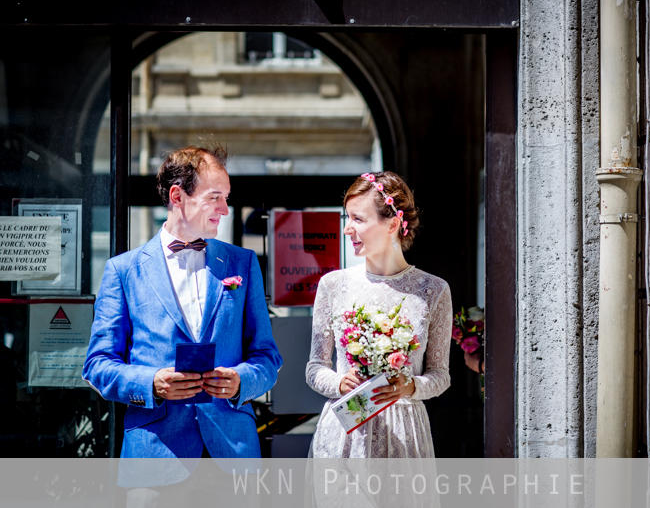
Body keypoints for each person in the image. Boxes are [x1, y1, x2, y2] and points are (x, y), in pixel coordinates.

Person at [83, 145, 282, 463]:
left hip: (232, 454)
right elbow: (97, 366)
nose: (226, 209)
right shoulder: (123, 271)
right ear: (177, 197)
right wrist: (152, 383)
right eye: (215, 197)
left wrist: (241, 380)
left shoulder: (242, 263)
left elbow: (268, 357)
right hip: (154, 456)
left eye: (226, 197)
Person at [306, 171, 451, 457]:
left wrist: (409, 386)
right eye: (348, 218)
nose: (348, 229)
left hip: (405, 434)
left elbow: (440, 375)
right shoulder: (334, 285)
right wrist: (339, 382)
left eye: (358, 219)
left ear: (393, 224)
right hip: (345, 433)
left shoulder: (432, 290)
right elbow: (315, 368)